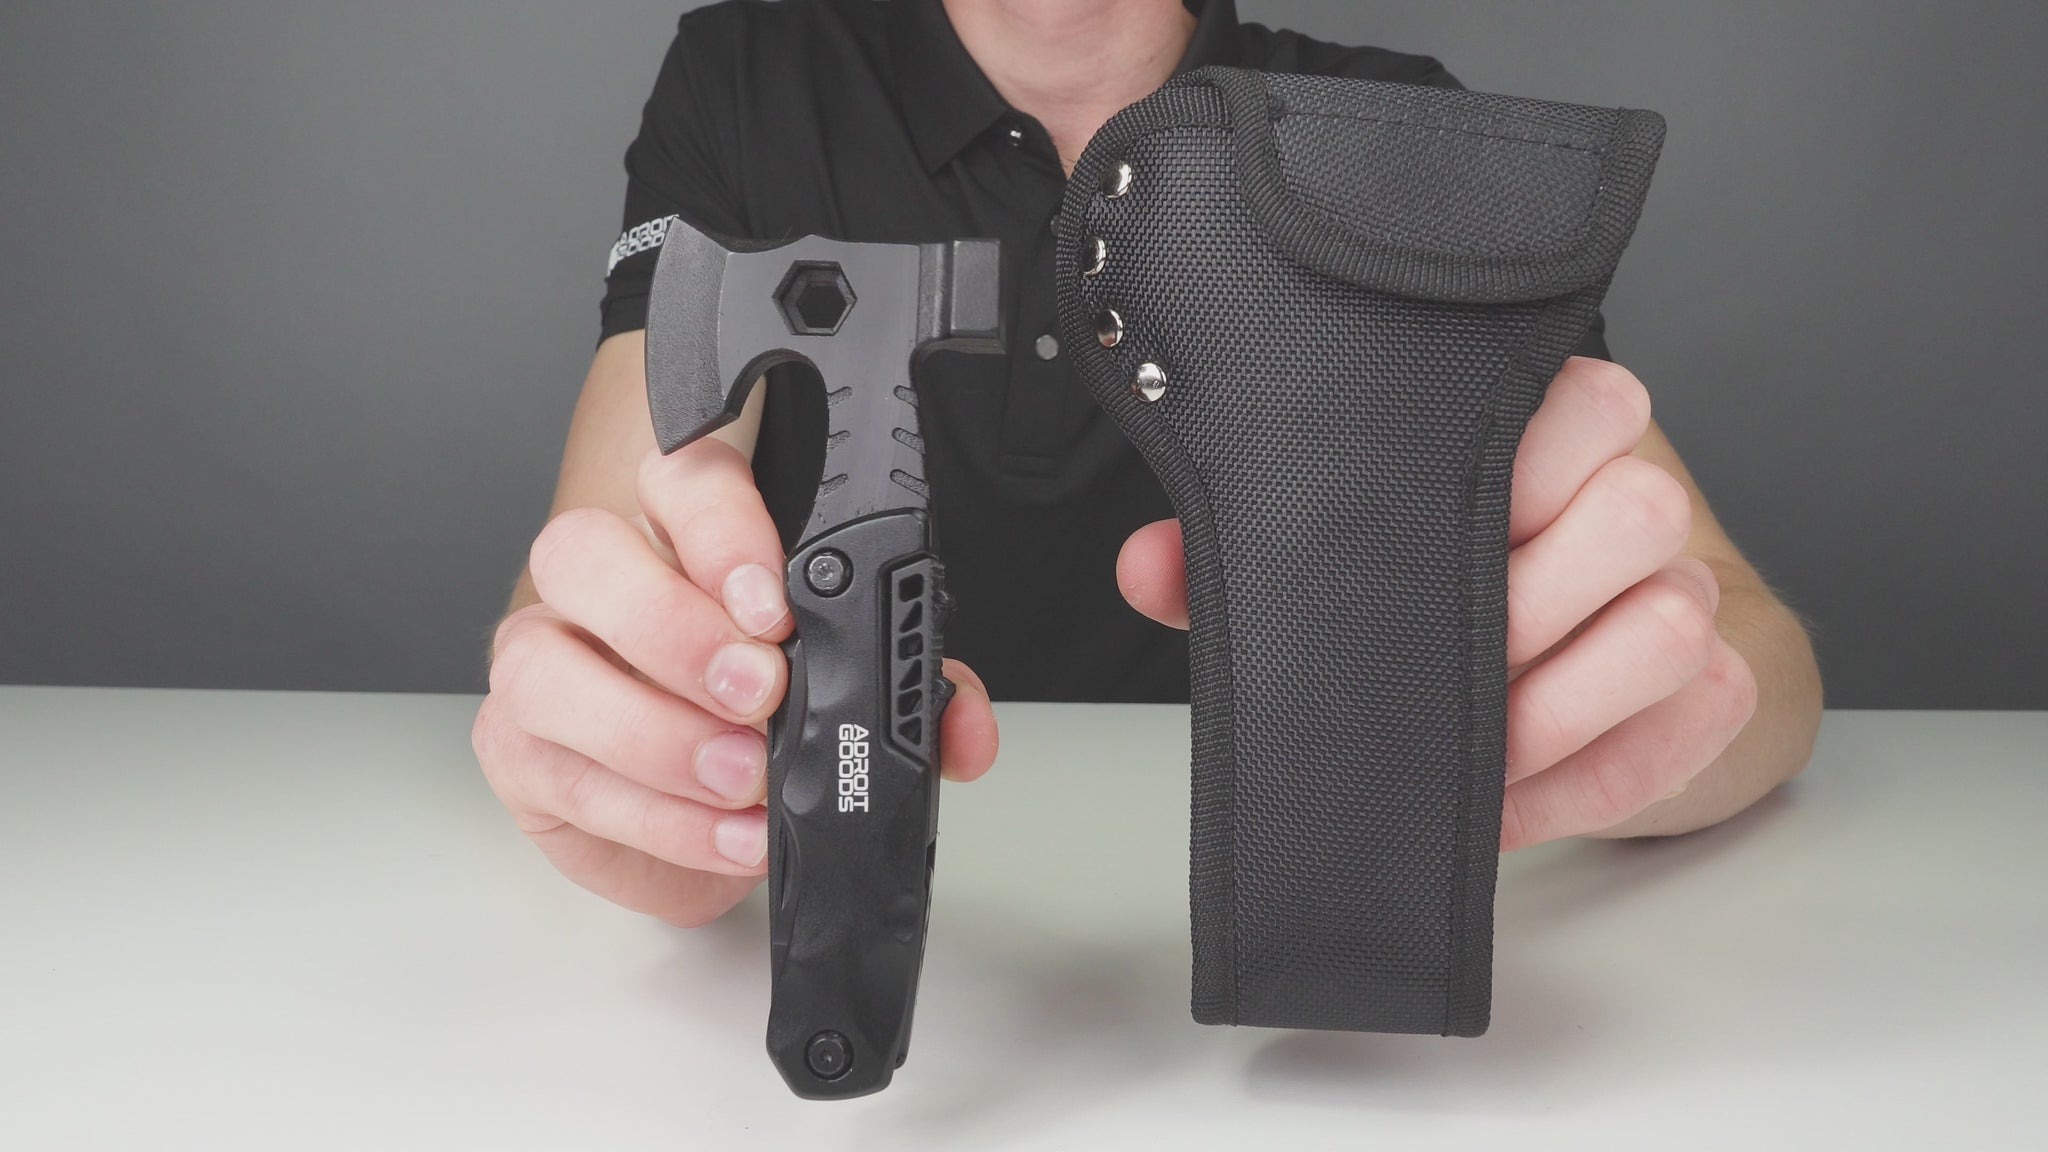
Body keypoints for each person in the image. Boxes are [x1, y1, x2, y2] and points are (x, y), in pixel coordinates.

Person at [471, 0, 1823, 927]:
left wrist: (1637, 726)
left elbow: (1750, 653)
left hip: (1305, 916)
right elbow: (617, 543)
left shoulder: (1394, 127)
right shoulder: (748, 76)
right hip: (852, 890)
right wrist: (645, 740)